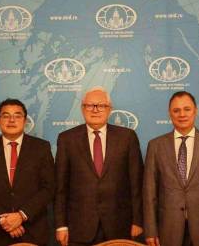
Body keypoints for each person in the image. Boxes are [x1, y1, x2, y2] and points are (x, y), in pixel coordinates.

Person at [54, 86, 144, 246]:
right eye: (90, 105)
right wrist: (61, 225)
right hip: (79, 228)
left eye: (101, 105)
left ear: (109, 110)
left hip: (119, 225)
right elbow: (60, 188)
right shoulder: (67, 139)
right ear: (82, 109)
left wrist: (138, 221)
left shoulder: (127, 137)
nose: (95, 110)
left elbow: (136, 183)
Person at [143, 91, 199, 246]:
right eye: (176, 110)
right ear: (170, 114)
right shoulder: (156, 146)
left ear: (195, 111)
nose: (182, 114)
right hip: (168, 228)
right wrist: (150, 230)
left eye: (187, 109)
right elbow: (150, 192)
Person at [0, 99, 55, 246]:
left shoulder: (41, 148)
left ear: (25, 121)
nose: (11, 120)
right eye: (6, 116)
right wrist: (4, 221)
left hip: (33, 231)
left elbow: (49, 188)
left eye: (17, 115)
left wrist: (21, 216)